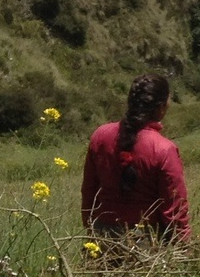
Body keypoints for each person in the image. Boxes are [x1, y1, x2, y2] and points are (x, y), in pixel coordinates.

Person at [82, 73, 191, 243]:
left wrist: (90, 231)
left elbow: (89, 190)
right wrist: (185, 247)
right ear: (161, 108)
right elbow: (175, 210)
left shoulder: (100, 137)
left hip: (101, 239)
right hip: (146, 243)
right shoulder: (163, 149)